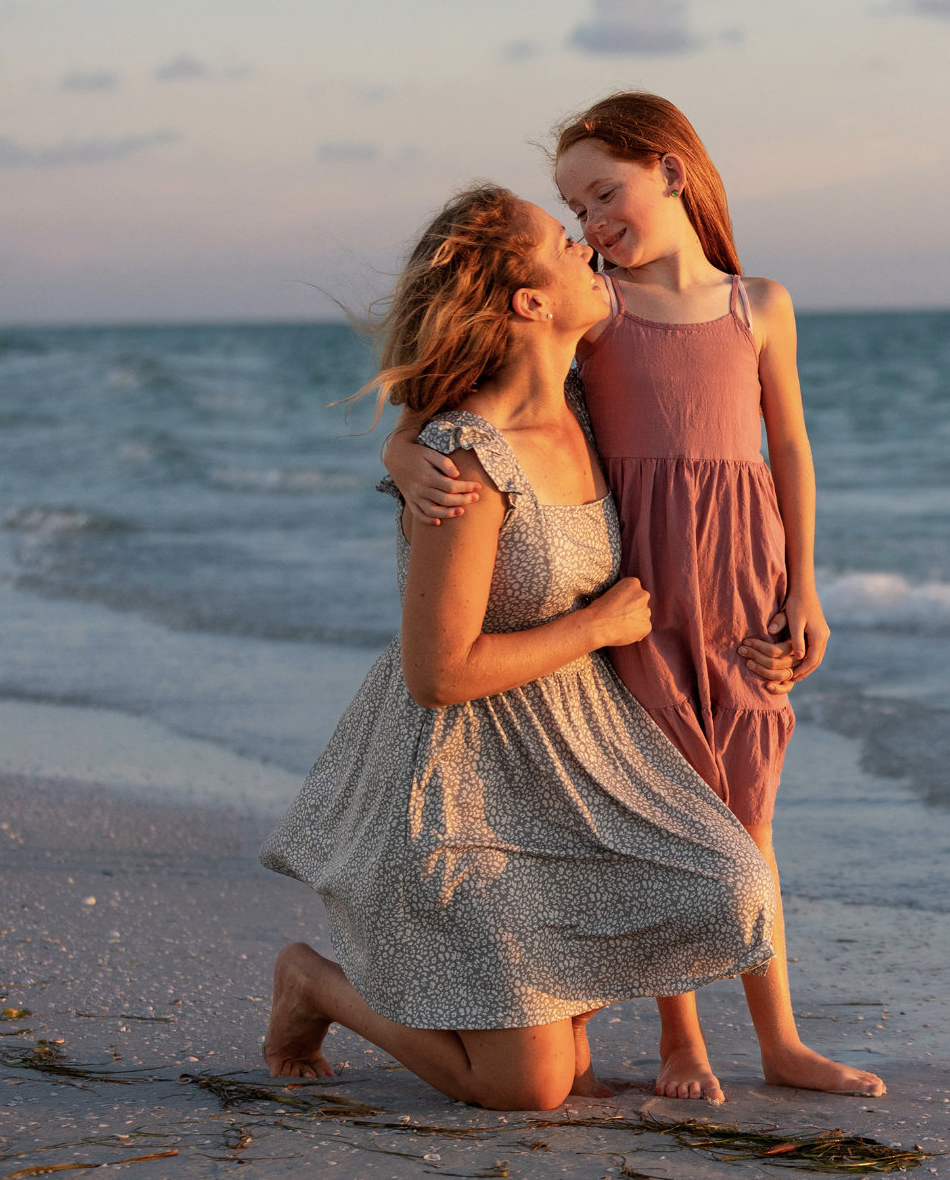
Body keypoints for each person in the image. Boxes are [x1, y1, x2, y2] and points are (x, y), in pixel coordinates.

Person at [386, 92, 883, 1100]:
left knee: (750, 808)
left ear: (671, 170)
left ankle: (781, 1040)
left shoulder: (761, 304)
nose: (591, 222)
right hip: (637, 587)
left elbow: (789, 447)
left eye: (604, 193)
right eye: (575, 207)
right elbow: (467, 390)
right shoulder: (596, 307)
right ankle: (679, 1039)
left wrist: (805, 586)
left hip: (742, 581)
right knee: (665, 806)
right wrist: (404, 453)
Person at [259, 184, 779, 1112]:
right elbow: (438, 674)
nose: (587, 246)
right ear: (531, 301)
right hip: (460, 780)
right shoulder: (466, 460)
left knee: (731, 883)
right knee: (530, 1089)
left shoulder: (584, 402)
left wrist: (774, 617)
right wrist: (595, 627)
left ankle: (539, 1009)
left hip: (573, 759)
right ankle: (316, 984)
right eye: (563, 244)